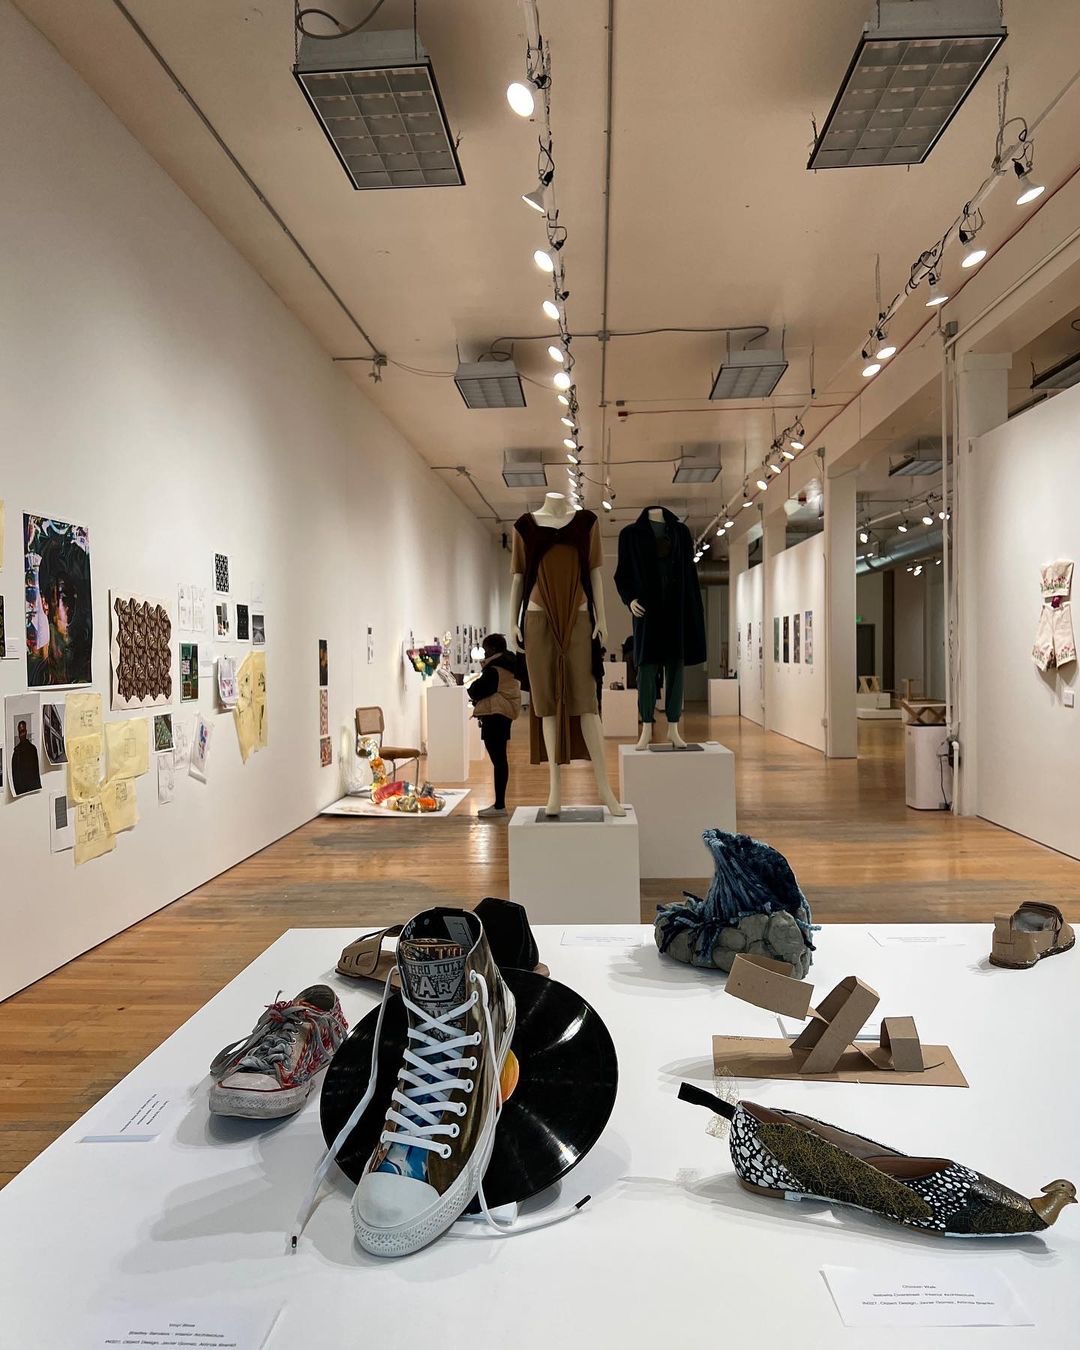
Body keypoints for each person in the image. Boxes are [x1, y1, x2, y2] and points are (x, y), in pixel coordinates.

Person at [467, 633, 521, 819]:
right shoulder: (506, 665)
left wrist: (471, 690)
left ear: (493, 649)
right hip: (501, 715)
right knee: (500, 760)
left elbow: (478, 690)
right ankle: (499, 804)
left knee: (499, 761)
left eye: (486, 648)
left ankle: (499, 805)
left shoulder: (495, 669)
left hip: (496, 715)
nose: (484, 651)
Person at [27, 533, 93, 686]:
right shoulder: (35, 670)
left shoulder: (84, 667)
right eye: (64, 596)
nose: (72, 608)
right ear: (45, 603)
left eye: (76, 598)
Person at [11, 719, 42, 796]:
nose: (21, 735)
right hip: (20, 792)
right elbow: (14, 774)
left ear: (26, 731)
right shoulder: (16, 751)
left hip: (32, 791)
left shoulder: (32, 749)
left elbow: (36, 772)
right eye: (20, 732)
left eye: (23, 731)